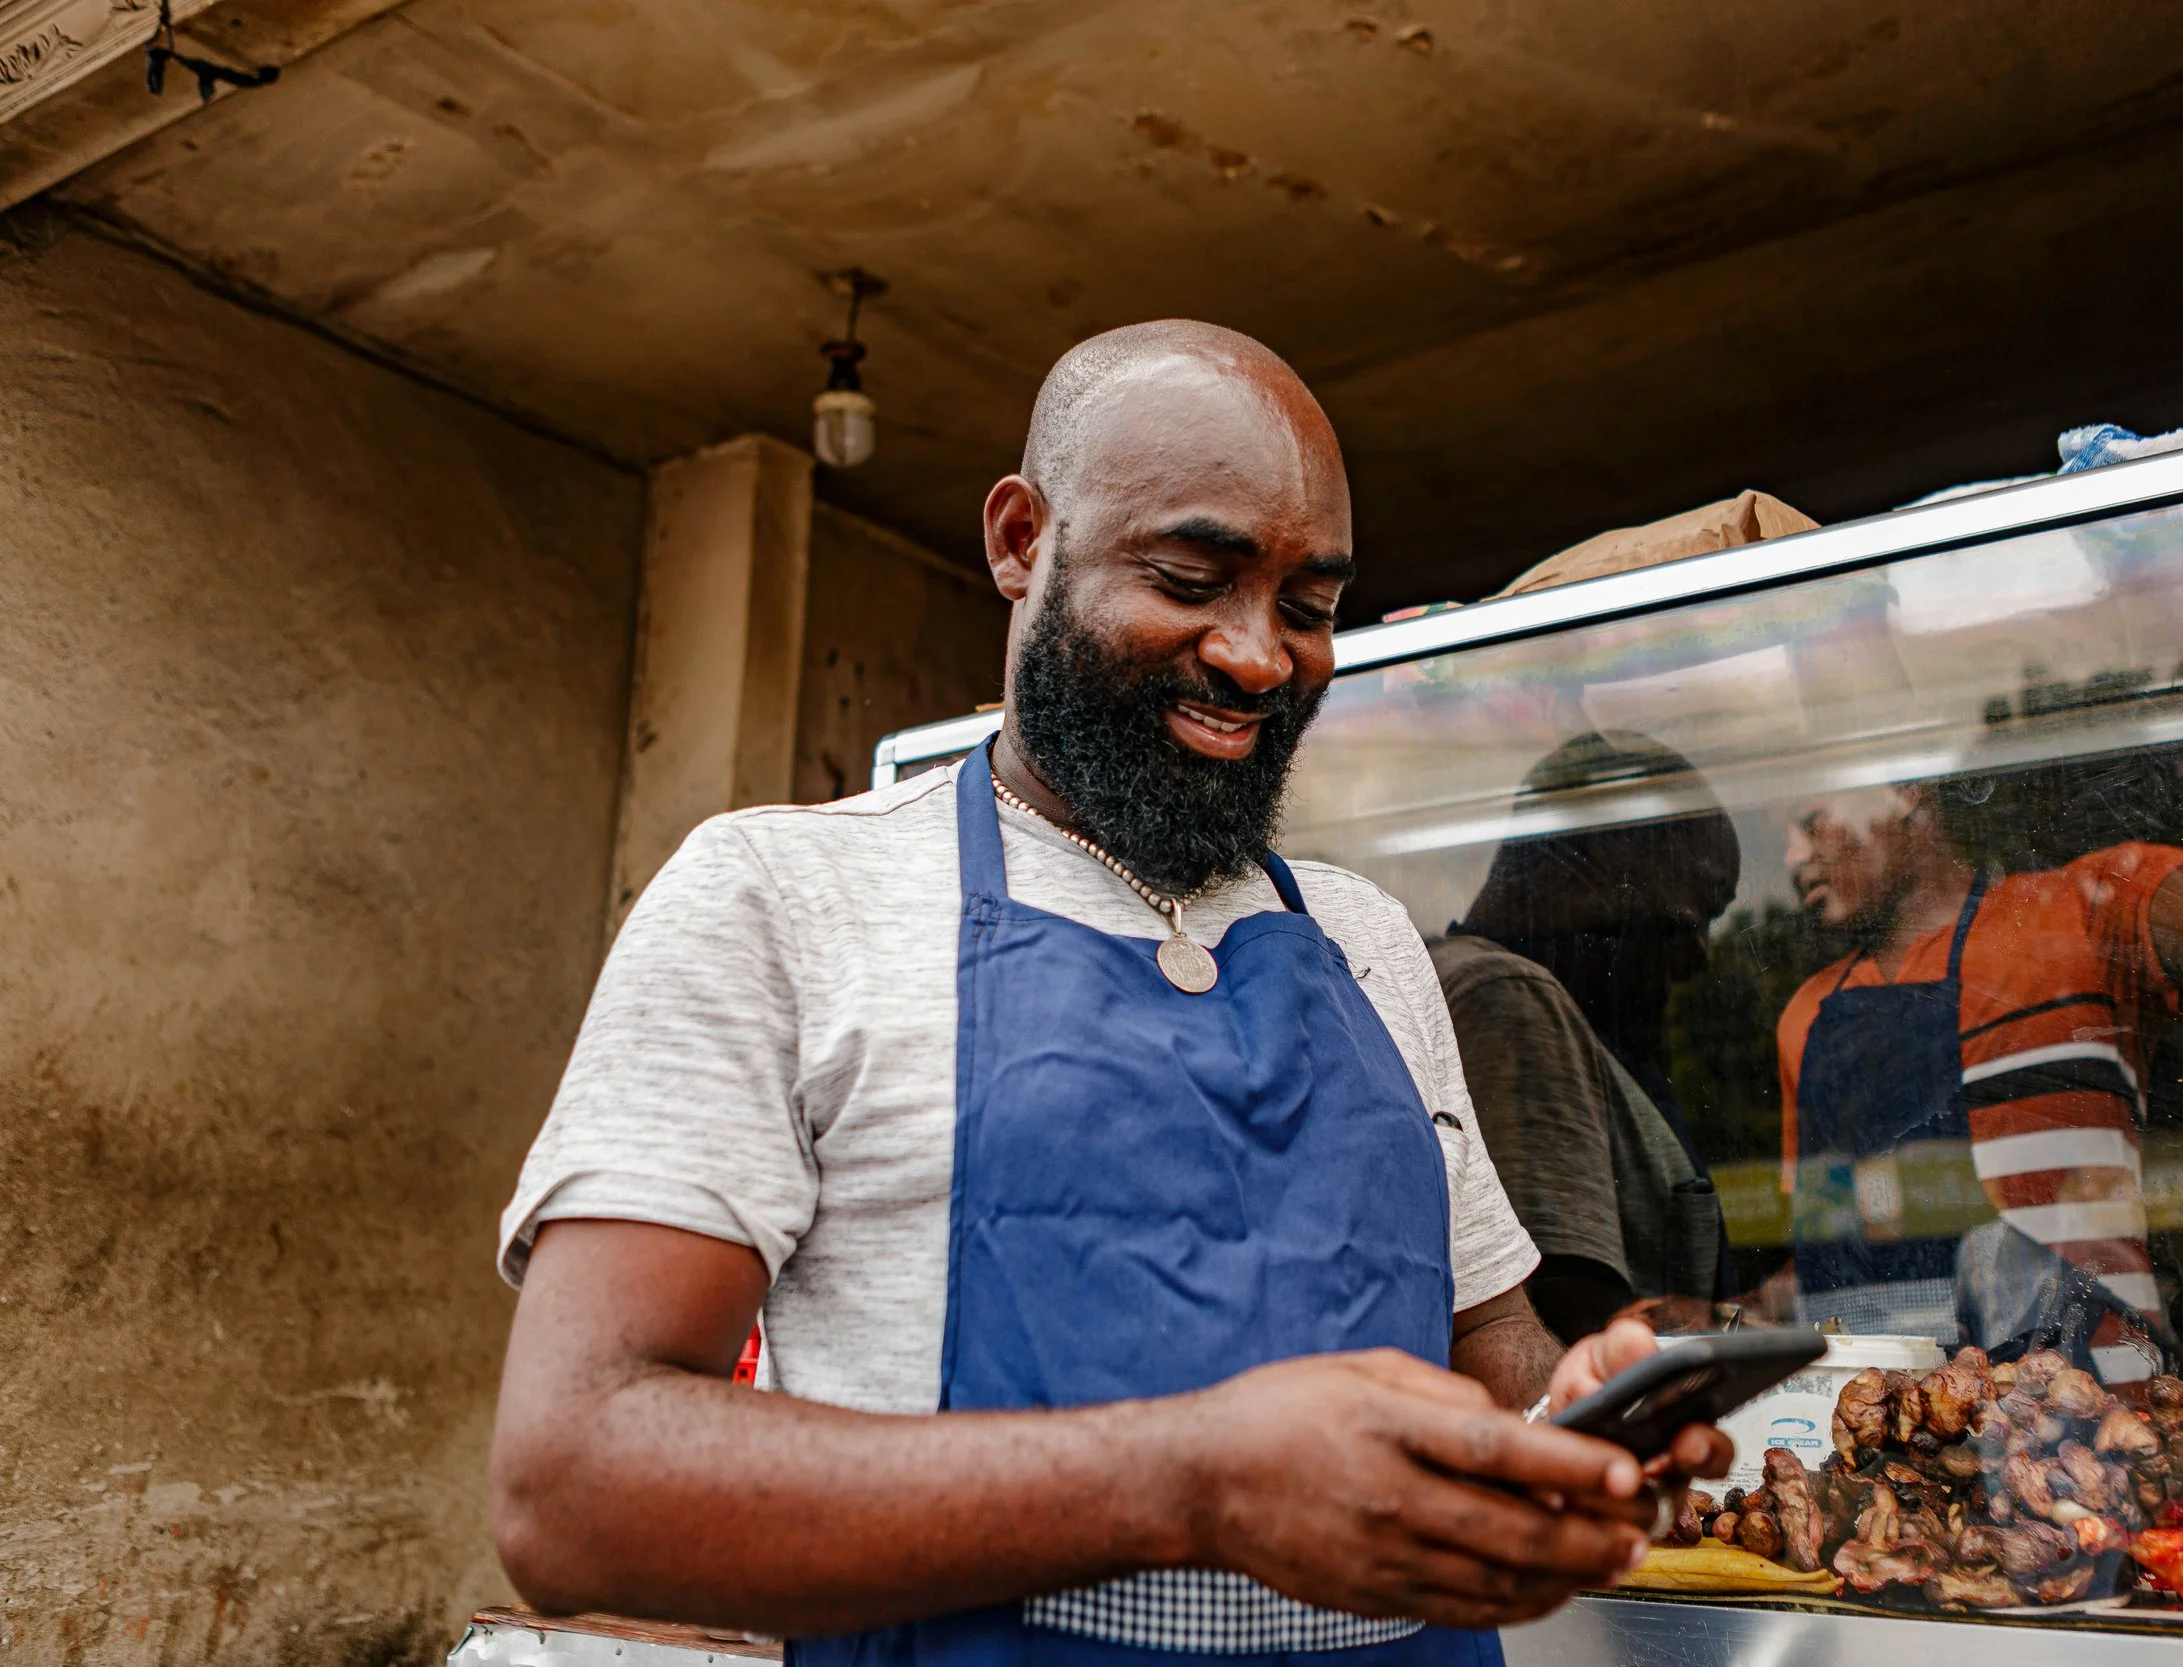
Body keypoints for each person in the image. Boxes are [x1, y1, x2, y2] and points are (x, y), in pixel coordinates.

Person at [488, 322, 1730, 1663]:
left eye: (1310, 607)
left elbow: (1500, 1374)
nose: (1261, 656)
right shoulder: (780, 901)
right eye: (1193, 576)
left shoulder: (1369, 942)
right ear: (1022, 538)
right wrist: (1190, 1481)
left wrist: (1586, 1426)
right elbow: (574, 1481)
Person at [1772, 726, 2183, 1379]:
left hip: (2096, 1416)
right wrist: (1732, 1310)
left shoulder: (2082, 911)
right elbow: (1828, 1245)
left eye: (1810, 820)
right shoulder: (1805, 1017)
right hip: (1882, 1435)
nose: (1793, 855)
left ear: (1907, 789)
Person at [1430, 732, 1742, 1345]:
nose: (1701, 955)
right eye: (1699, 910)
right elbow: (1567, 1325)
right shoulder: (1510, 999)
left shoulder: (1474, 985)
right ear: (1608, 869)